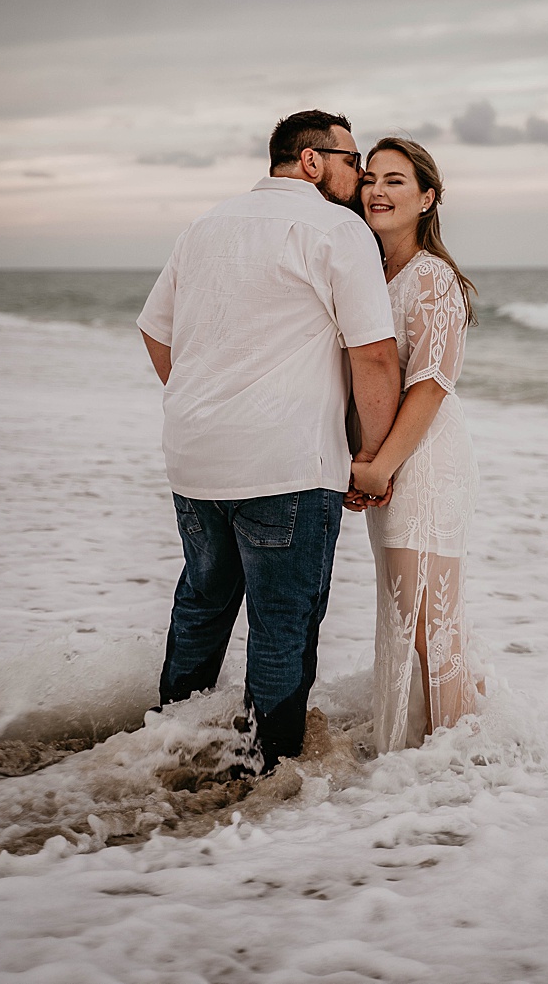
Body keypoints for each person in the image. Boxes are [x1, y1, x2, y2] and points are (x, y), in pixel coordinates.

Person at [138, 110, 401, 771]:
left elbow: (154, 331)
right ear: (312, 161)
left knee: (201, 606)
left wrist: (205, 403)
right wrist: (371, 456)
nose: (360, 175)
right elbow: (374, 355)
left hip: (196, 456)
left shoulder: (204, 226)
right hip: (287, 463)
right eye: (352, 160)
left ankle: (162, 751)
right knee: (283, 623)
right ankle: (268, 775)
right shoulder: (337, 228)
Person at [341, 137, 483, 752]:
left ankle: (459, 759)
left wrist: (380, 466)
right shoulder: (374, 275)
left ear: (427, 199)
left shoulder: (432, 277)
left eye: (395, 180)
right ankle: (430, 748)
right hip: (390, 460)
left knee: (428, 621)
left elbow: (430, 385)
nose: (376, 190)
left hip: (424, 460)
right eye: (370, 178)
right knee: (409, 616)